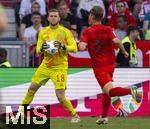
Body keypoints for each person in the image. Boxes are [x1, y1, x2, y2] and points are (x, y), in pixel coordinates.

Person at [13, 9, 80, 123]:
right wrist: (43, 48)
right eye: (51, 16)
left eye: (55, 16)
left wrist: (63, 46)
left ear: (59, 18)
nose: (53, 18)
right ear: (48, 18)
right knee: (31, 88)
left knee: (60, 96)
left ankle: (75, 116)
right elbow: (38, 50)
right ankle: (21, 113)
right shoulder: (43, 32)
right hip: (45, 66)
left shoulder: (66, 32)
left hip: (59, 67)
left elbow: (74, 48)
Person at [78, 6, 139, 125]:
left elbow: (82, 46)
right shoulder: (108, 29)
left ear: (92, 16)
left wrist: (81, 45)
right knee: (105, 92)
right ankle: (104, 117)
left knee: (109, 91)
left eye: (89, 15)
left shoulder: (87, 31)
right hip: (111, 66)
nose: (88, 17)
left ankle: (132, 91)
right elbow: (116, 41)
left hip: (99, 68)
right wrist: (124, 51)